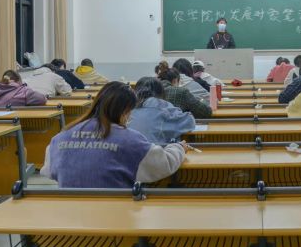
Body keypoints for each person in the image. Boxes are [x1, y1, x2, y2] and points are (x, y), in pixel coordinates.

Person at [41, 82, 187, 190]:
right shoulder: (130, 139)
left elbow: (48, 171)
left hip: (70, 215)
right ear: (125, 112)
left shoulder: (62, 136)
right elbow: (164, 164)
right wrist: (178, 147)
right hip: (114, 213)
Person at [128, 77, 196, 145]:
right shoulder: (161, 105)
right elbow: (189, 122)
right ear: (160, 91)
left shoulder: (129, 107)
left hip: (129, 149)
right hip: (154, 150)